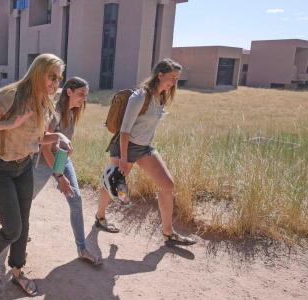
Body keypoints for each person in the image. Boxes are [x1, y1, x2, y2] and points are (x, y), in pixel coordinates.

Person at [0, 53, 71, 296]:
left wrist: (58, 137)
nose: (56, 83)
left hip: (24, 166)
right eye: (52, 77)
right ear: (38, 73)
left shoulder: (45, 101)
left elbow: (37, 138)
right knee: (12, 228)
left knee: (23, 225)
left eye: (59, 79)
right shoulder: (10, 95)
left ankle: (17, 271)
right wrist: (8, 124)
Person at [97, 58, 196, 246]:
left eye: (177, 78)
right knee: (113, 186)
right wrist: (125, 160)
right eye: (172, 77)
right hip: (125, 146)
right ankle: (100, 218)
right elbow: (125, 130)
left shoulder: (161, 97)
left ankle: (168, 233)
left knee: (167, 185)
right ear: (160, 75)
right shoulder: (140, 96)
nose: (175, 82)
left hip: (144, 147)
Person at [31, 77, 111, 266]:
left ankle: (82, 248)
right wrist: (59, 177)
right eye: (81, 94)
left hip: (61, 158)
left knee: (76, 200)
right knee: (25, 201)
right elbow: (44, 148)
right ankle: (15, 232)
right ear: (69, 92)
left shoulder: (73, 111)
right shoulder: (54, 112)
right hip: (42, 162)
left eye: (86, 95)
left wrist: (66, 153)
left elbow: (62, 142)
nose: (84, 98)